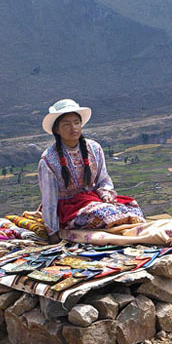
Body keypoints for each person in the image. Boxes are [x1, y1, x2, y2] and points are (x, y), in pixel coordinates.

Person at [37, 99, 145, 244]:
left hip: (93, 199)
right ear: (57, 130)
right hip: (68, 208)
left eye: (76, 122)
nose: (73, 128)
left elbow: (103, 179)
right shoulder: (49, 159)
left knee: (132, 206)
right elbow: (49, 198)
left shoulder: (94, 148)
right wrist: (52, 231)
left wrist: (106, 194)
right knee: (102, 214)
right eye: (66, 124)